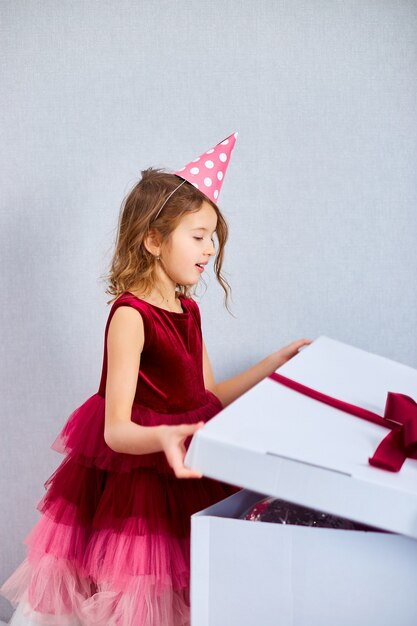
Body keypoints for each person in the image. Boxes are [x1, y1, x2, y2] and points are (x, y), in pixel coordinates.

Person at [0, 133, 311, 626]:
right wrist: (165, 435)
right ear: (153, 240)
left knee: (196, 590)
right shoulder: (131, 315)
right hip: (139, 485)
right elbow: (114, 431)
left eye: (213, 237)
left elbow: (205, 396)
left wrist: (274, 362)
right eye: (198, 235)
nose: (209, 249)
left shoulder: (189, 309)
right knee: (142, 597)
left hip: (188, 467)